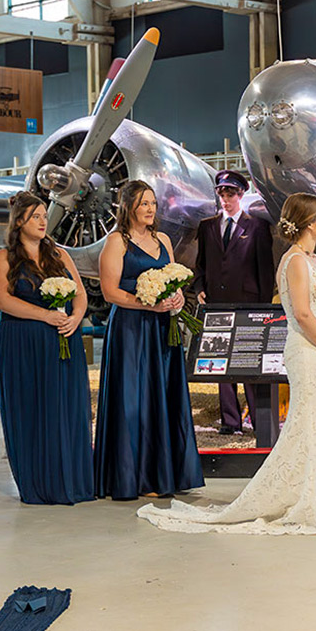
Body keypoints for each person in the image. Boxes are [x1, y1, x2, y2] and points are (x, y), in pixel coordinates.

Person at [138, 193, 316, 534]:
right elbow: (300, 313)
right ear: (309, 223)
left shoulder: (314, 260)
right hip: (308, 350)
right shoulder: (295, 261)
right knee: (308, 423)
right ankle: (306, 497)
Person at [93, 181, 204, 500]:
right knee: (133, 398)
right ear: (128, 207)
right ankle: (134, 477)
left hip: (161, 329)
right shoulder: (116, 242)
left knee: (162, 395)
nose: (151, 209)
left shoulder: (164, 239)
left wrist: (178, 299)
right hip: (131, 328)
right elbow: (110, 292)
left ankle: (163, 474)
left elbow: (171, 277)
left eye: (153, 203)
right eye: (143, 203)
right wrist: (148, 304)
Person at [0, 192, 94, 505]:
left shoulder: (59, 255)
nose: (43, 221)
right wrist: (45, 315)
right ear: (19, 221)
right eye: (36, 216)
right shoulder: (2, 259)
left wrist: (76, 317)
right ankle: (37, 481)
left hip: (63, 339)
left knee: (65, 408)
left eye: (45, 215)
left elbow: (80, 293)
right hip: (23, 342)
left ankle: (70, 479)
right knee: (31, 408)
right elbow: (3, 300)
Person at [194, 169, 276, 435]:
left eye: (230, 194)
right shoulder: (207, 227)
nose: (226, 199)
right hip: (217, 304)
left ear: (241, 195)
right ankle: (231, 422)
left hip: (248, 305)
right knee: (220, 364)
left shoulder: (258, 227)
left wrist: (263, 308)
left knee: (249, 363)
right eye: (222, 194)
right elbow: (201, 264)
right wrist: (200, 288)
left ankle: (256, 417)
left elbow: (265, 270)